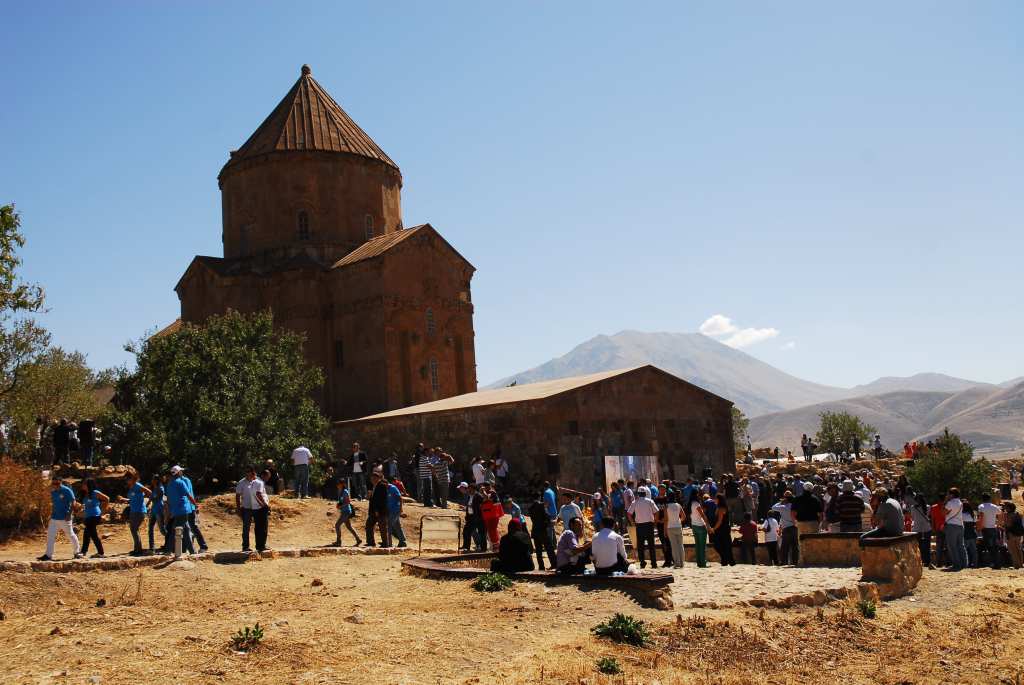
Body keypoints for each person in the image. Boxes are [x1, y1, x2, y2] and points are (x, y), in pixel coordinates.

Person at [38, 476, 81, 561]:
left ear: (61, 482)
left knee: (70, 535)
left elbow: (73, 502)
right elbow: (43, 493)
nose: (55, 485)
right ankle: (48, 555)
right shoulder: (53, 490)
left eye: (57, 483)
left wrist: (69, 514)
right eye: (53, 483)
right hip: (54, 517)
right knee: (50, 536)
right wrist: (49, 486)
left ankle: (77, 552)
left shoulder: (66, 490)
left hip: (64, 517)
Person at [235, 466, 270, 552]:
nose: (247, 473)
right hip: (247, 508)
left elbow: (262, 493)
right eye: (246, 471)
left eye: (249, 471)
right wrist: (238, 508)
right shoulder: (241, 483)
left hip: (257, 508)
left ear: (252, 472)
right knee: (246, 528)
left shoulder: (258, 481)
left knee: (259, 527)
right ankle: (245, 546)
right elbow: (237, 496)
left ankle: (260, 545)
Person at [164, 466, 196, 555]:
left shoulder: (169, 484)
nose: (182, 472)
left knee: (185, 530)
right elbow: (189, 495)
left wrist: (170, 511)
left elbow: (169, 499)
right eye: (181, 471)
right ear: (178, 473)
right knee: (175, 530)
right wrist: (195, 505)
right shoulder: (180, 482)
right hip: (183, 510)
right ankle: (168, 550)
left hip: (175, 511)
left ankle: (192, 551)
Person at [117, 472, 151, 556]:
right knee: (134, 530)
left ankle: (138, 550)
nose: (126, 481)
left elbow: (149, 492)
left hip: (139, 511)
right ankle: (137, 549)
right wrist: (123, 499)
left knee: (134, 529)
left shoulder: (137, 485)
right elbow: (132, 500)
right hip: (133, 511)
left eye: (127, 479)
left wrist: (145, 501)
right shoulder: (132, 487)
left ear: (132, 478)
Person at [627, 486, 659, 568]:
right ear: (645, 493)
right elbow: (656, 512)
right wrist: (655, 522)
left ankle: (642, 562)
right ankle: (654, 563)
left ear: (638, 494)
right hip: (649, 524)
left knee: (640, 545)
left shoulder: (635, 502)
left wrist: (632, 523)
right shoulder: (650, 501)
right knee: (651, 544)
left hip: (639, 526)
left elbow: (629, 513)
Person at [77, 479, 109, 558]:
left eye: (84, 484)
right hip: (88, 517)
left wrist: (103, 512)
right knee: (87, 534)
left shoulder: (95, 492)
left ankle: (99, 553)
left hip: (95, 516)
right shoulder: (85, 494)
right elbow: (86, 506)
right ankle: (86, 552)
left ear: (88, 485)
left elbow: (107, 499)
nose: (82, 485)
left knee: (92, 535)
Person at [179, 467, 208, 552]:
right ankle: (186, 548)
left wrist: (194, 505)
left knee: (192, 527)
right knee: (188, 527)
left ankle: (203, 546)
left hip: (188, 507)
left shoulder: (184, 480)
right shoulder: (186, 480)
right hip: (188, 507)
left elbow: (187, 494)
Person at [527, 492, 556, 570]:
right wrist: (550, 521)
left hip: (535, 531)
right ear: (540, 497)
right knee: (549, 548)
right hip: (543, 530)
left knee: (538, 550)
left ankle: (541, 566)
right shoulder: (541, 505)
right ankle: (554, 564)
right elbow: (547, 516)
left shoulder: (530, 507)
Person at [943, 487, 968, 571]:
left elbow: (943, 512)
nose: (947, 495)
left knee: (952, 546)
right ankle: (964, 564)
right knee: (961, 545)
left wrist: (945, 501)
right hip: (960, 525)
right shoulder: (960, 502)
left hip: (951, 526)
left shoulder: (950, 503)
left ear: (952, 494)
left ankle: (956, 564)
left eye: (948, 494)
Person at [772, 491, 799, 565]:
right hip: (795, 527)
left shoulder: (783, 507)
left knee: (785, 547)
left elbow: (773, 507)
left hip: (786, 528)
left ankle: (784, 562)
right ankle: (795, 562)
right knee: (795, 547)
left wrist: (781, 502)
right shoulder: (795, 506)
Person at [709, 493, 735, 566]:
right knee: (722, 545)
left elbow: (720, 521)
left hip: (722, 529)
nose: (714, 500)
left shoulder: (721, 508)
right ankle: (725, 560)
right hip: (722, 529)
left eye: (716, 499)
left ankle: (726, 560)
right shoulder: (718, 507)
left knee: (721, 545)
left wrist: (713, 529)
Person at [365, 472, 391, 548]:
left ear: (378, 478)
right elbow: (372, 499)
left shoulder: (382, 486)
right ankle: (370, 542)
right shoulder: (373, 486)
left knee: (382, 527)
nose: (372, 480)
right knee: (369, 525)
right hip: (373, 511)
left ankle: (385, 543)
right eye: (371, 478)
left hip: (380, 511)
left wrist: (377, 510)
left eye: (374, 478)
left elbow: (381, 499)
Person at [976, 493, 1002, 569]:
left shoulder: (981, 506)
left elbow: (981, 517)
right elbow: (1001, 514)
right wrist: (998, 524)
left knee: (989, 547)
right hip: (993, 528)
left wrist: (979, 526)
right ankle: (997, 563)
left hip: (986, 528)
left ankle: (993, 563)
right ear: (989, 498)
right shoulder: (994, 506)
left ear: (982, 499)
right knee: (994, 546)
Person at [908, 492, 933, 568]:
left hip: (917, 529)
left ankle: (919, 561)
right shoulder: (928, 507)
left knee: (918, 546)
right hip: (926, 528)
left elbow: (913, 517)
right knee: (927, 546)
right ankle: (927, 561)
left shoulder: (913, 507)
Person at [333, 482, 362, 547]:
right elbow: (342, 501)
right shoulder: (340, 492)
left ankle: (338, 541)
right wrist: (339, 505)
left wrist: (341, 506)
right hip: (344, 511)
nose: (337, 485)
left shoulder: (345, 491)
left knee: (337, 525)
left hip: (346, 511)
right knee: (349, 527)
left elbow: (348, 501)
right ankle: (358, 539)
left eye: (339, 484)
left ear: (342, 484)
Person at [688, 491, 710, 568]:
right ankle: (703, 563)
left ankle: (699, 562)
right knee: (702, 546)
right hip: (700, 525)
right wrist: (708, 525)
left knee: (697, 545)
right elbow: (702, 515)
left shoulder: (689, 504)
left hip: (694, 525)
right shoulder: (696, 504)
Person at [663, 492, 685, 569]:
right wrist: (678, 521)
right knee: (680, 545)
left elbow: (666, 519)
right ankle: (682, 563)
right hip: (678, 526)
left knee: (674, 546)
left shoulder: (667, 506)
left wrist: (664, 530)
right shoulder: (678, 505)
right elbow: (684, 516)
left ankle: (677, 563)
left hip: (670, 527)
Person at [461, 483, 486, 552]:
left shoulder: (479, 496)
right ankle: (466, 547)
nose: (469, 490)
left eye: (470, 489)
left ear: (474, 490)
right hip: (470, 517)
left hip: (478, 518)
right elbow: (468, 506)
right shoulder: (469, 496)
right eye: (469, 489)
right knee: (466, 532)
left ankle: (483, 549)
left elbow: (482, 505)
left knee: (481, 533)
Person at [386, 477, 407, 548]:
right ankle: (402, 541)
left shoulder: (392, 488)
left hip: (395, 510)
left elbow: (400, 498)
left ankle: (389, 544)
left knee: (389, 526)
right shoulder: (385, 489)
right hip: (390, 510)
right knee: (397, 526)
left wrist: (401, 509)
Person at [147, 474, 165, 554]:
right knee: (150, 528)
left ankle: (170, 544)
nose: (152, 481)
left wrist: (150, 497)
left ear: (156, 480)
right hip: (154, 510)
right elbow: (152, 498)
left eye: (153, 479)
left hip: (159, 510)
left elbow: (155, 497)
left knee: (162, 529)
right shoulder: (155, 488)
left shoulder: (160, 488)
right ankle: (152, 547)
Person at [1003, 502, 1024, 569]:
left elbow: (1008, 525)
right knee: (1019, 549)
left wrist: (1004, 525)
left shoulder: (1008, 515)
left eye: (1006, 507)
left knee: (1013, 550)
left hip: (1011, 534)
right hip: (1018, 534)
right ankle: (1021, 564)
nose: (1005, 508)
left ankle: (1016, 565)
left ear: (1009, 508)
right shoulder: (1017, 514)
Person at [962, 499, 979, 568]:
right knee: (974, 551)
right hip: (972, 533)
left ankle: (965, 564)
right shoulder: (973, 514)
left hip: (965, 534)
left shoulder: (962, 514)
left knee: (964, 550)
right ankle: (975, 564)